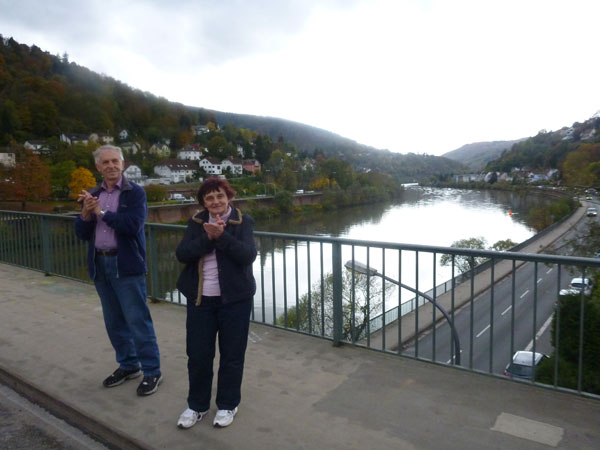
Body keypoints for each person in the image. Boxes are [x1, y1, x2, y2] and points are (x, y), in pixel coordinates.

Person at [74, 145, 162, 396]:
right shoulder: (93, 194)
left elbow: (132, 225)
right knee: (114, 322)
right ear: (98, 167)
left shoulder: (135, 193)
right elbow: (81, 233)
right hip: (100, 264)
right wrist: (85, 213)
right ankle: (129, 365)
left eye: (115, 161)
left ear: (122, 164)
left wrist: (100, 211)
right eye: (106, 162)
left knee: (137, 320)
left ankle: (152, 371)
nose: (111, 165)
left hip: (126, 264)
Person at [175, 177, 257, 429]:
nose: (215, 201)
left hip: (235, 301)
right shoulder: (196, 222)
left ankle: (227, 404)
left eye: (220, 195)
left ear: (229, 197)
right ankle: (197, 406)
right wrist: (208, 238)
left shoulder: (243, 221)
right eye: (209, 198)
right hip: (201, 300)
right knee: (198, 355)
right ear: (203, 203)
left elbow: (247, 255)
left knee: (232, 355)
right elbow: (182, 254)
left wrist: (221, 236)